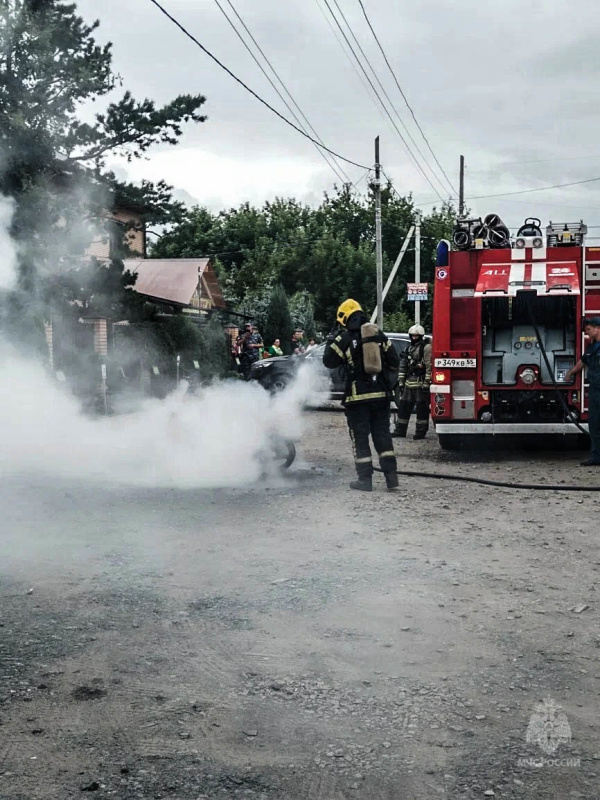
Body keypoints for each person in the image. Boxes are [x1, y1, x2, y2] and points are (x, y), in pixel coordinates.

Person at [323, 298, 399, 492]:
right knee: (383, 437)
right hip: (381, 396)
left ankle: (365, 481)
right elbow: (394, 360)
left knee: (361, 438)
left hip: (357, 400)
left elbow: (329, 361)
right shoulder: (378, 335)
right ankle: (392, 479)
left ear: (345, 317)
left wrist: (331, 339)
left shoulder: (345, 338)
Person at [565, 316, 600, 466]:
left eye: (589, 330)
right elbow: (583, 361)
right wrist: (570, 373)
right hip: (595, 389)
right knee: (594, 424)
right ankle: (596, 457)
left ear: (598, 328)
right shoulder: (592, 347)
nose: (587, 333)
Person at [394, 324, 432, 440]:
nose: (414, 338)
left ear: (421, 336)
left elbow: (429, 367)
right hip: (408, 383)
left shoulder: (426, 348)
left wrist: (426, 383)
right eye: (412, 336)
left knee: (421, 409)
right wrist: (401, 383)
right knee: (403, 407)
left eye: (417, 336)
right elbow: (403, 367)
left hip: (420, 383)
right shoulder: (408, 349)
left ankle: (420, 432)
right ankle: (400, 430)